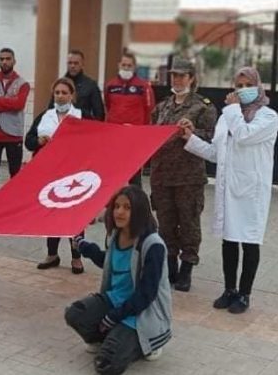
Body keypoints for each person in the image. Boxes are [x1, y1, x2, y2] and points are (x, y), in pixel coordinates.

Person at [179, 66, 278, 314]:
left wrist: (232, 109)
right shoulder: (227, 117)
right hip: (229, 189)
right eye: (239, 86)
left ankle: (244, 294)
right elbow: (217, 152)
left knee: (249, 241)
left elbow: (244, 135)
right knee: (229, 241)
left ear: (258, 86)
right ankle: (229, 289)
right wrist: (191, 139)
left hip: (251, 191)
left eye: (248, 85)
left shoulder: (267, 117)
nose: (243, 90)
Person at [65, 185, 172, 375]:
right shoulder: (116, 234)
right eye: (116, 206)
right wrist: (84, 247)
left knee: (106, 364)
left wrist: (113, 317)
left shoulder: (153, 245)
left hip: (141, 312)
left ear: (139, 211)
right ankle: (109, 338)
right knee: (75, 314)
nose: (119, 212)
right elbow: (109, 262)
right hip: (114, 300)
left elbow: (146, 294)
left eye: (127, 207)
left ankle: (149, 345)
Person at [150, 57, 217, 292]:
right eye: (174, 75)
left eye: (181, 75)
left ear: (191, 78)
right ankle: (170, 268)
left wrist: (192, 131)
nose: (177, 80)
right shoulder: (162, 107)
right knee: (166, 225)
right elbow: (151, 134)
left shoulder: (203, 107)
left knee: (189, 224)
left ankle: (187, 269)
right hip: (162, 176)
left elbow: (212, 137)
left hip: (188, 178)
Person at [25, 77, 85, 274]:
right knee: (52, 212)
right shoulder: (45, 116)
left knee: (74, 215)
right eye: (57, 93)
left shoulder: (81, 116)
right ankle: (52, 254)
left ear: (72, 95)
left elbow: (94, 141)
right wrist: (39, 141)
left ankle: (76, 256)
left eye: (64, 93)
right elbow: (28, 141)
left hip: (74, 174)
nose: (60, 96)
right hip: (50, 174)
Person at [0, 47, 30, 196]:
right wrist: (9, 101)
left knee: (15, 173)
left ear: (14, 61)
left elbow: (19, 105)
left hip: (13, 135)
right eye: (2, 59)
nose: (5, 62)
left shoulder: (23, 83)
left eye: (8, 59)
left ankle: (13, 201)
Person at [103, 52, 155, 187]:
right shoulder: (110, 86)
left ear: (135, 67)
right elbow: (108, 106)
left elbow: (149, 110)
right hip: (115, 136)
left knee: (134, 173)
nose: (126, 68)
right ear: (119, 65)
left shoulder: (144, 87)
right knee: (113, 172)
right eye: (124, 65)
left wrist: (143, 133)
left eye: (129, 65)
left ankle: (136, 198)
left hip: (134, 137)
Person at [49, 50, 104, 120]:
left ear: (82, 65)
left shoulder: (91, 85)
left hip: (82, 122)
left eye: (76, 63)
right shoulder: (60, 85)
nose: (72, 66)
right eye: (70, 63)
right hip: (61, 123)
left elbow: (99, 114)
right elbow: (51, 108)